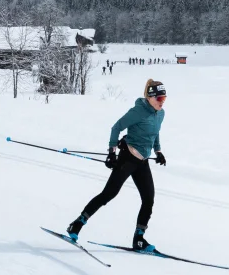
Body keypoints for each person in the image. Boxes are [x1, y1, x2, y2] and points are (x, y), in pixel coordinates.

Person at [65, 79, 167, 252]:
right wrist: (112, 151)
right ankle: (76, 224)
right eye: (159, 98)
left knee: (148, 199)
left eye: (164, 99)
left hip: (142, 161)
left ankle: (139, 239)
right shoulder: (137, 112)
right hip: (128, 157)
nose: (161, 102)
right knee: (109, 194)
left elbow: (155, 132)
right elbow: (116, 127)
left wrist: (158, 151)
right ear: (150, 97)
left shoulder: (160, 114)